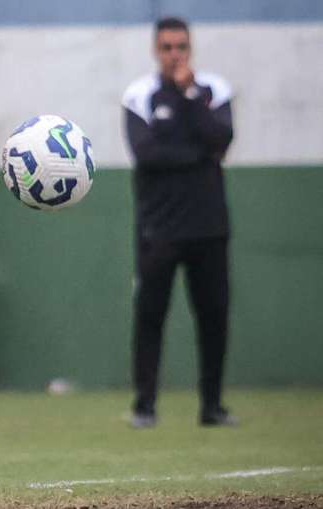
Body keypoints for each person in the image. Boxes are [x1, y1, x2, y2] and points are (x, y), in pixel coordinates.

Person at [121, 17, 236, 428]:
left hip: (209, 228)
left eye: (181, 47)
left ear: (191, 49)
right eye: (167, 47)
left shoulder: (212, 90)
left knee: (214, 317)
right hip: (159, 229)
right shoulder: (140, 96)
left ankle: (212, 406)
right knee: (150, 315)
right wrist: (198, 155)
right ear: (156, 50)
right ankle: (145, 406)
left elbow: (221, 138)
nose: (175, 55)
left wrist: (189, 95)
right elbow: (146, 154)